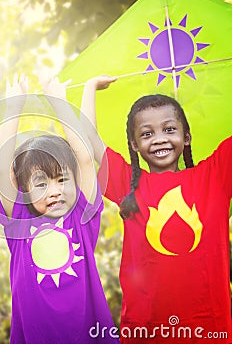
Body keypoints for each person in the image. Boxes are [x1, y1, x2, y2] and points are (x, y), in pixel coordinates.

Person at [80, 76, 232, 343]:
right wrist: (90, 88)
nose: (159, 139)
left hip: (210, 327)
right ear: (134, 145)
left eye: (169, 129)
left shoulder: (215, 177)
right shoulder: (127, 185)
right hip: (146, 329)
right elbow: (88, 141)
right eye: (147, 134)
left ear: (187, 137)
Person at [0, 75, 119, 343]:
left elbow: (84, 157)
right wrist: (14, 107)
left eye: (62, 179)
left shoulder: (82, 217)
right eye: (41, 184)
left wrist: (58, 102)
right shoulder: (19, 221)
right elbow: (1, 168)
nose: (55, 191)